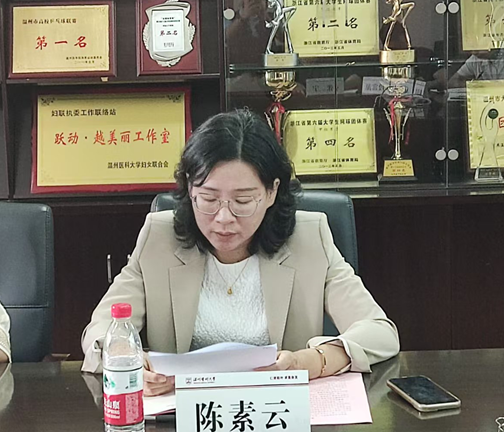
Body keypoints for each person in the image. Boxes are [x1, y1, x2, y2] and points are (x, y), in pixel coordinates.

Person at [81, 109, 400, 396]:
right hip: (185, 419)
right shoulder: (159, 238)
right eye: (208, 199)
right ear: (190, 189)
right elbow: (99, 332)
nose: (223, 217)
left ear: (272, 192)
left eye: (243, 201)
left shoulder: (309, 238)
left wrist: (312, 361)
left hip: (277, 416)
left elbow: (380, 332)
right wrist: (127, 358)